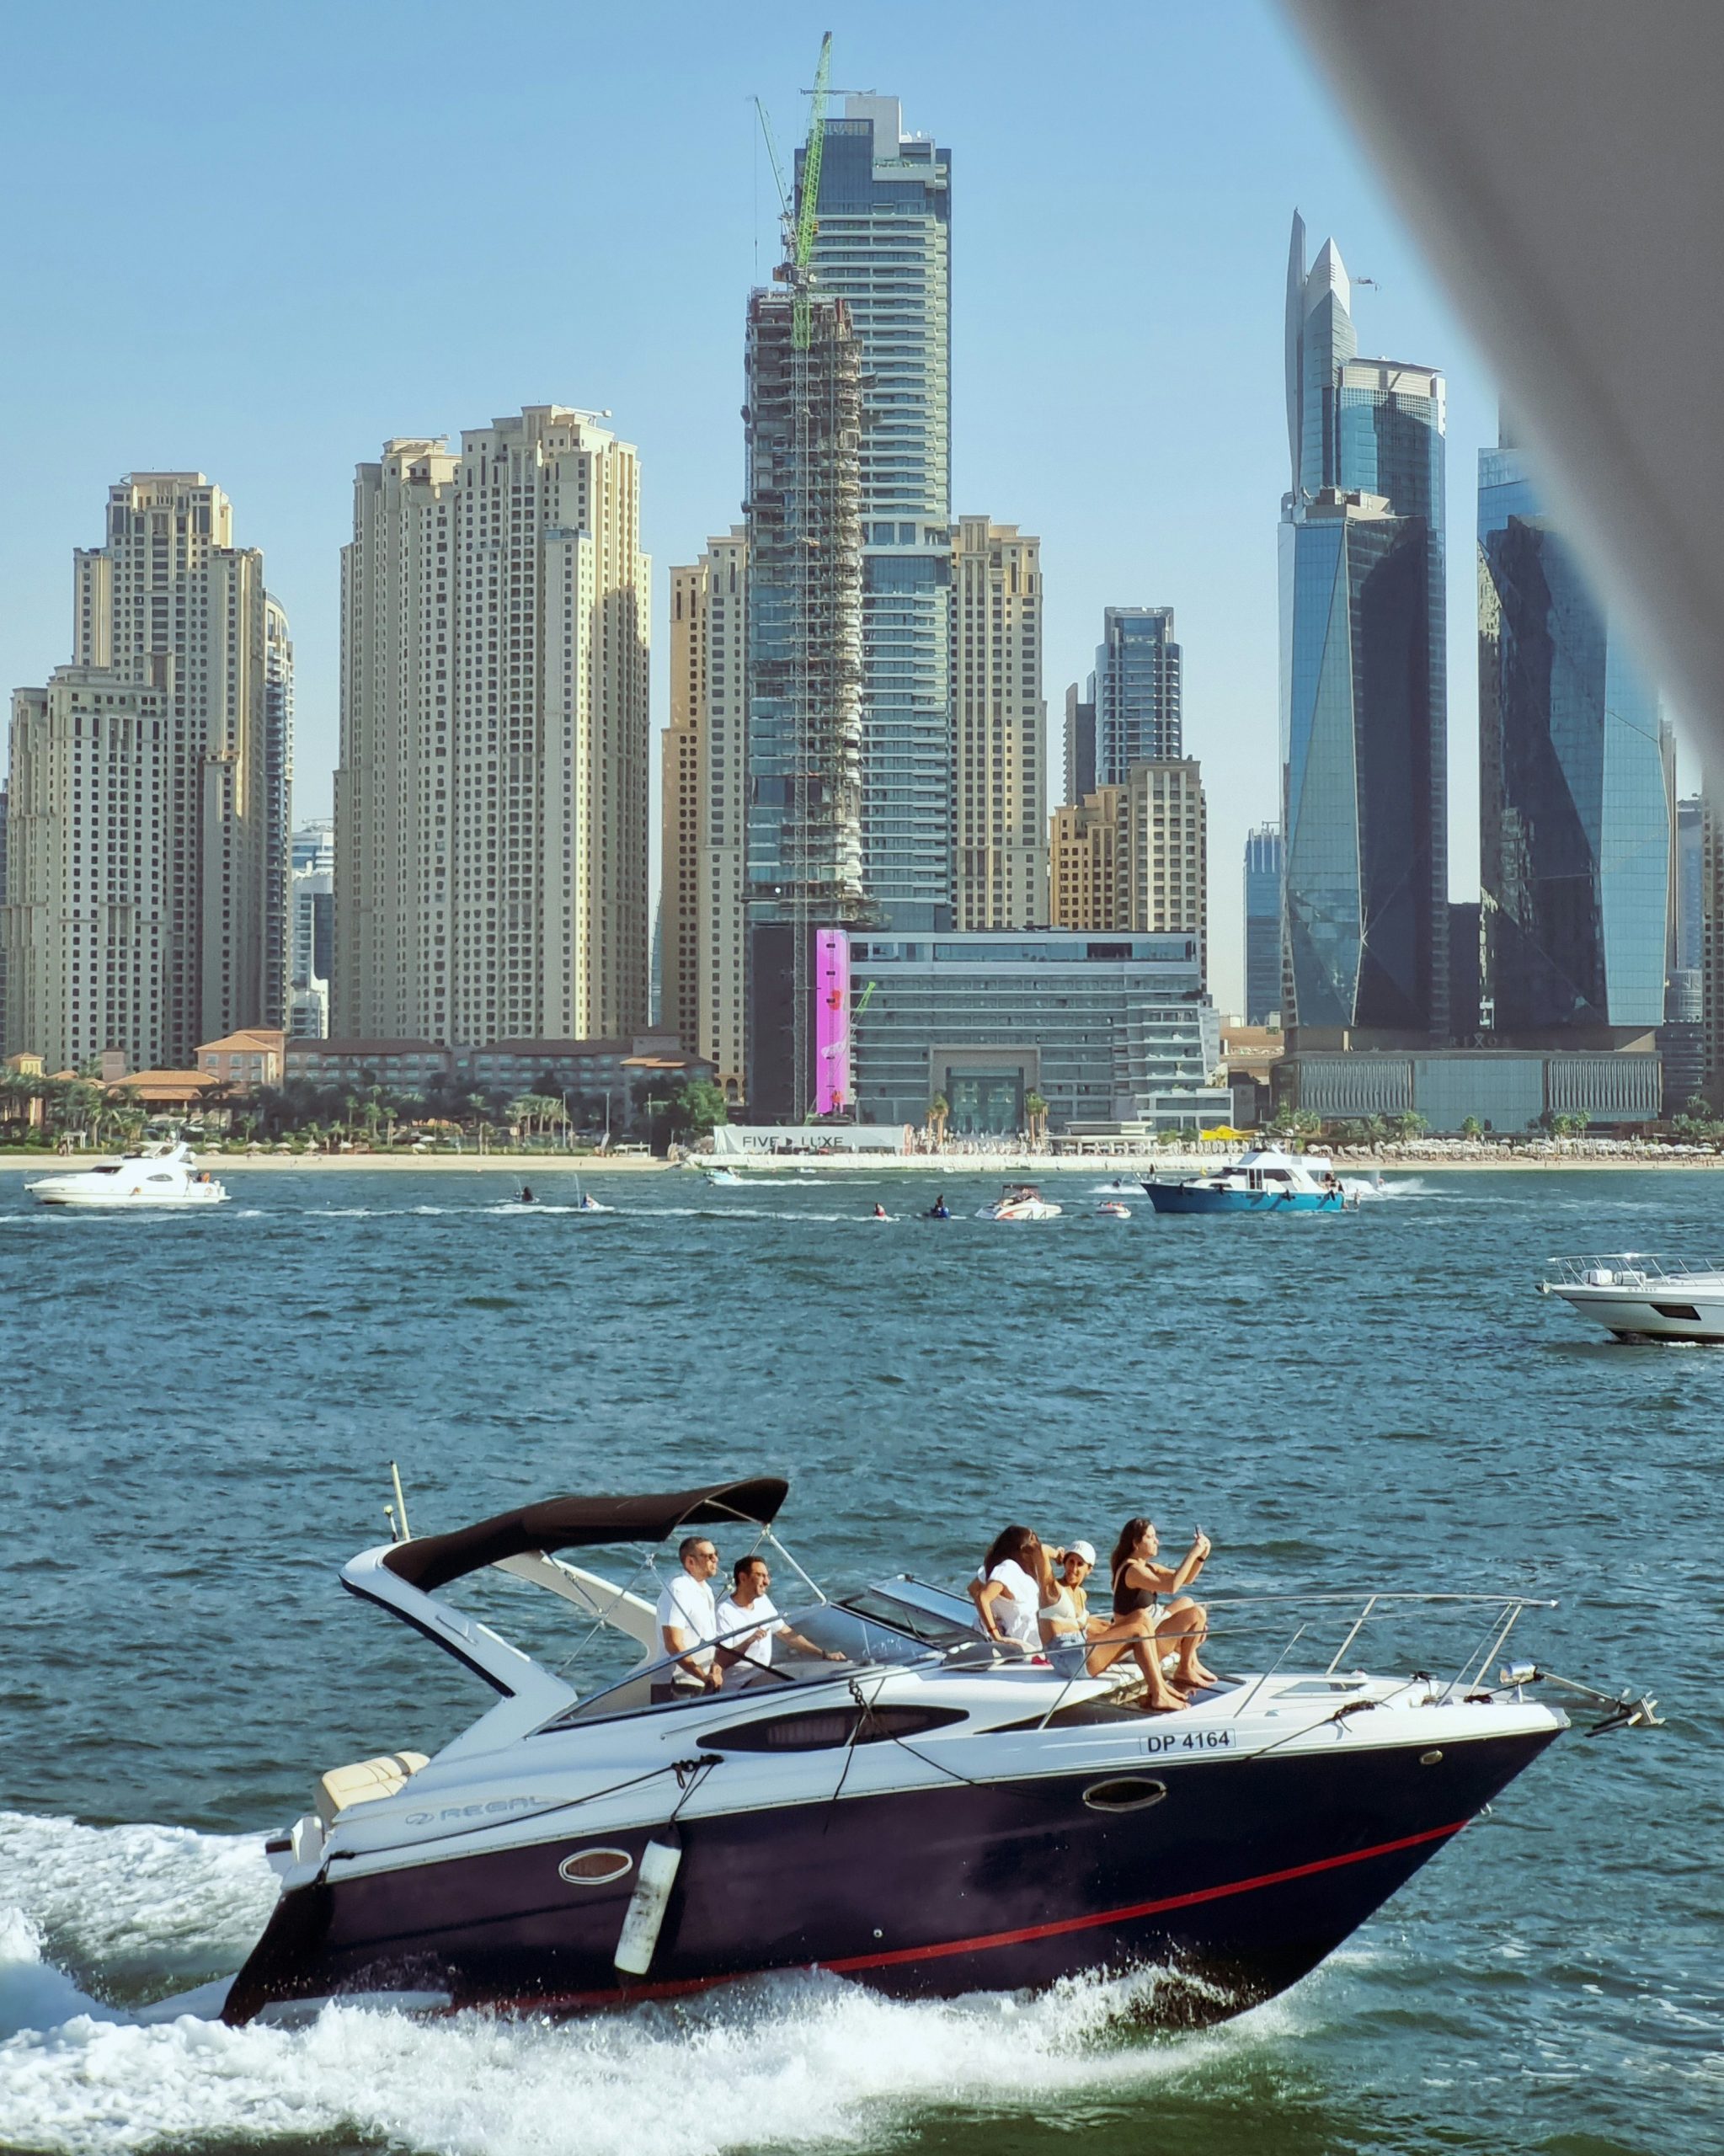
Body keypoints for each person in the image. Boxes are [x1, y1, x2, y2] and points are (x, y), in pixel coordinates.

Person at [1109, 1517, 1218, 1691]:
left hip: (1149, 1627)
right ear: (1136, 1543)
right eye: (1151, 1537)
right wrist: (1193, 1552)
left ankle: (1191, 1662)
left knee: (1187, 1602)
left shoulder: (1147, 1567)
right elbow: (1171, 1586)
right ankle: (1184, 1670)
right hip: (1135, 1646)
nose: (1157, 1541)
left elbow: (1186, 1579)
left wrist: (1201, 1558)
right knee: (1197, 1614)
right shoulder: (1133, 1571)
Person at [714, 1555, 844, 1675]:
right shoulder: (724, 1612)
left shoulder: (762, 1601)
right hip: (739, 1683)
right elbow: (721, 1661)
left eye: (767, 1576)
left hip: (762, 1674)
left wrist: (823, 1654)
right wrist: (749, 1641)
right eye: (760, 1575)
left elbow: (785, 1633)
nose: (767, 1582)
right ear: (743, 1578)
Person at [653, 1534, 724, 1702]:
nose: (715, 1559)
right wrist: (702, 1675)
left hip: (699, 1680)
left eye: (716, 1554)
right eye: (708, 1556)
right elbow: (673, 1643)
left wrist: (714, 1669)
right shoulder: (679, 1589)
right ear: (690, 1562)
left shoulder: (705, 1590)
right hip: (677, 1683)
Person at [969, 1525, 1049, 1654]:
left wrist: (997, 1614)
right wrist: (995, 1634)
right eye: (1032, 1543)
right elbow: (982, 1597)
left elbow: (973, 1588)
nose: (1036, 1548)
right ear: (1021, 1548)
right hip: (1028, 1639)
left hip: (1032, 1632)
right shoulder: (1008, 1568)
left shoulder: (997, 1567)